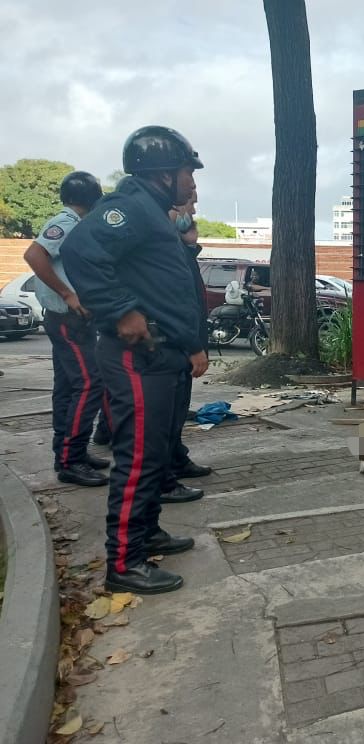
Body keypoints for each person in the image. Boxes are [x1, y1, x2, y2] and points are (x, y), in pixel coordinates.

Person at [62, 125, 208, 594]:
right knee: (139, 458)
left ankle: (147, 535)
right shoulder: (130, 208)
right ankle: (124, 562)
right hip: (138, 357)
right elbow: (80, 249)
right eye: (188, 170)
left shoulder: (154, 210)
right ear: (164, 172)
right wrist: (122, 309)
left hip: (163, 356)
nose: (192, 181)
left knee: (158, 450)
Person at [23, 171, 110, 486]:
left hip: (72, 320)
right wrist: (68, 294)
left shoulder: (76, 224)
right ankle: (70, 460)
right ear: (93, 197)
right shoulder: (67, 224)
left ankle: (69, 452)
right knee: (89, 384)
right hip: (67, 319)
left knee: (68, 387)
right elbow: (34, 254)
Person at [157, 189, 212, 505]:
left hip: (182, 342)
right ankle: (163, 480)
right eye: (189, 202)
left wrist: (189, 241)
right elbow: (172, 301)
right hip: (171, 344)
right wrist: (192, 345)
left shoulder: (178, 247)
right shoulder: (159, 246)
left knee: (177, 412)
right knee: (163, 417)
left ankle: (176, 459)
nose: (193, 209)